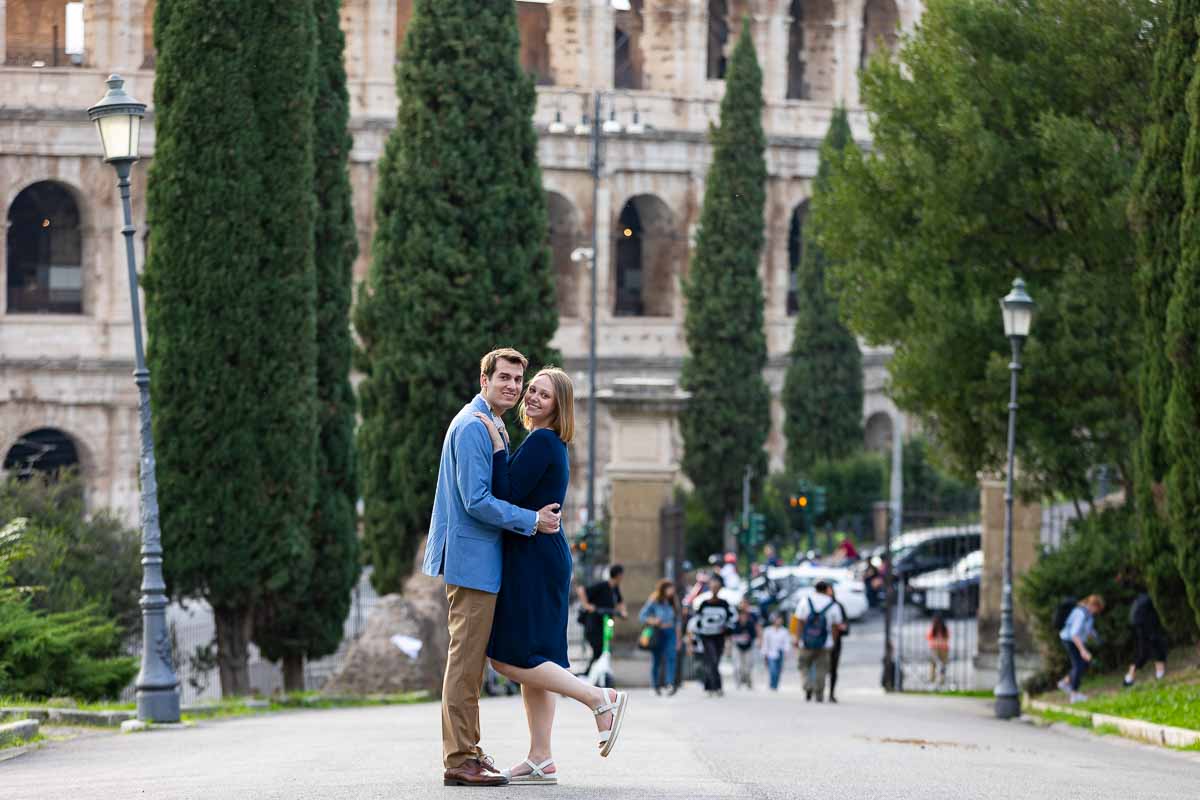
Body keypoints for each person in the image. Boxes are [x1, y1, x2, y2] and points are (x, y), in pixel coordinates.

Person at [478, 366, 631, 783]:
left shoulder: (543, 439)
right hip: (542, 554)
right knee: (540, 657)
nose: (531, 397)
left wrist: (495, 445)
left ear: (559, 406)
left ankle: (599, 698)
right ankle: (540, 757)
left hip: (533, 558)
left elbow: (503, 491)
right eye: (531, 390)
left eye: (543, 395)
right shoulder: (548, 442)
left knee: (507, 657)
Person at [421, 348, 563, 787]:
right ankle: (460, 758)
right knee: (465, 664)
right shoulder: (472, 426)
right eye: (504, 378)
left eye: (518, 381)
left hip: (482, 561)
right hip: (472, 562)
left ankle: (468, 751)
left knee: (470, 664)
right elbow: (476, 501)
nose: (513, 387)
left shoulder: (492, 425)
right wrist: (532, 520)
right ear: (484, 380)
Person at [793, 580, 844, 702]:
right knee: (822, 668)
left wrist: (797, 638)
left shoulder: (805, 601)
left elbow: (799, 621)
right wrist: (833, 641)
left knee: (803, 665)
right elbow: (836, 626)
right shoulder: (833, 604)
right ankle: (819, 693)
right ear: (827, 589)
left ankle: (807, 685)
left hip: (806, 642)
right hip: (825, 643)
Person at [689, 573, 736, 696]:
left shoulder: (724, 604)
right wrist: (696, 635)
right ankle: (716, 686)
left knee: (714, 661)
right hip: (706, 636)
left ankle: (709, 686)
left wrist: (726, 631)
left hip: (719, 636)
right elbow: (697, 621)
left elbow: (731, 620)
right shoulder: (704, 603)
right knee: (712, 659)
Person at [577, 564, 627, 675]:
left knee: (604, 649)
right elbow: (581, 590)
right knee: (598, 649)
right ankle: (589, 673)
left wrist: (623, 612)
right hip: (594, 622)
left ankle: (594, 672)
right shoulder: (603, 585)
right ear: (618, 575)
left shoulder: (615, 589)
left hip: (605, 622)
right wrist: (587, 606)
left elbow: (620, 602)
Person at [1057, 594, 1105, 703]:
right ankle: (1074, 695)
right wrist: (1083, 650)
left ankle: (1065, 682)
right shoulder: (1081, 613)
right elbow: (1074, 634)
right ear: (1093, 605)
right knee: (1078, 665)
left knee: (1083, 664)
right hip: (1069, 640)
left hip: (1074, 640)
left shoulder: (1088, 614)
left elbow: (1089, 629)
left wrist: (1097, 637)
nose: (1097, 612)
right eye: (1097, 609)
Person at [639, 579, 679, 695]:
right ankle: (655, 684)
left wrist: (679, 638)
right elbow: (642, 616)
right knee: (657, 659)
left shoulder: (673, 602)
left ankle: (669, 683)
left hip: (670, 632)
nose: (672, 591)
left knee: (671, 657)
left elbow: (678, 621)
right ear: (663, 589)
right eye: (669, 588)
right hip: (658, 632)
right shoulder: (655, 600)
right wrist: (653, 620)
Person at [1125, 591, 1168, 687]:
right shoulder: (1146, 600)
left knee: (1154, 649)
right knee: (1146, 652)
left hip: (1144, 626)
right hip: (1146, 627)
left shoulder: (1141, 599)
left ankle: (1159, 675)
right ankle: (1129, 678)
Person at [730, 599, 761, 689]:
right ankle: (738, 683)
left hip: (749, 645)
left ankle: (748, 682)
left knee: (748, 665)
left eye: (745, 603)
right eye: (742, 603)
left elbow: (757, 627)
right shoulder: (734, 616)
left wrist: (759, 639)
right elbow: (730, 632)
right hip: (737, 645)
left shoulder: (753, 616)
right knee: (737, 665)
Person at [826, 590, 849, 702]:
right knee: (823, 667)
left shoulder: (838, 606)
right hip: (824, 643)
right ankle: (816, 690)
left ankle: (830, 692)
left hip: (833, 643)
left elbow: (845, 627)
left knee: (833, 669)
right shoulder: (837, 606)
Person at [760, 613, 789, 690]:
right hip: (771, 652)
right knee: (773, 670)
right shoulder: (767, 630)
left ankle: (775, 685)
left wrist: (786, 653)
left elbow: (786, 643)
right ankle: (772, 685)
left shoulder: (784, 631)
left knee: (779, 670)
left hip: (780, 652)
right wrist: (765, 654)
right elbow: (765, 643)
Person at [927, 613, 950, 687]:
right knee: (933, 663)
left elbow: (947, 637)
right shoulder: (933, 628)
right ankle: (932, 678)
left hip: (943, 648)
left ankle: (941, 679)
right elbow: (929, 637)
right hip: (935, 648)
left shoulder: (944, 629)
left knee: (943, 665)